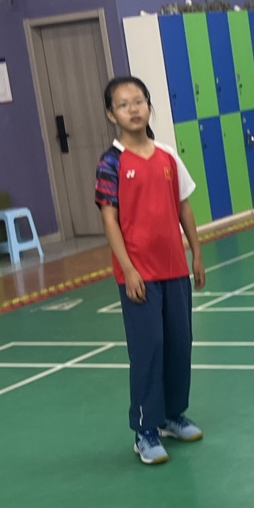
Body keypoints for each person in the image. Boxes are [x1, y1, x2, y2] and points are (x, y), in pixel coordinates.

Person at [95, 75, 207, 464]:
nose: (134, 109)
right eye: (123, 104)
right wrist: (128, 269)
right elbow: (110, 220)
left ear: (149, 106)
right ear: (111, 114)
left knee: (179, 342)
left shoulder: (167, 155)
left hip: (174, 269)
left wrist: (196, 252)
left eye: (139, 101)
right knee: (149, 349)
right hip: (139, 275)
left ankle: (172, 416)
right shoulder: (111, 163)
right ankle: (145, 429)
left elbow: (184, 206)